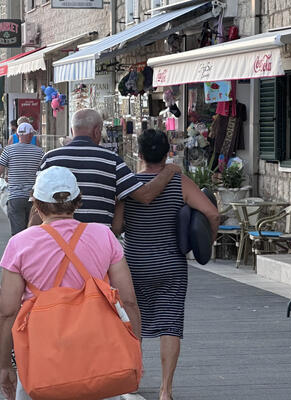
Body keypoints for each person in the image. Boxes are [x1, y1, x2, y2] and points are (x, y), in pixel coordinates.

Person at [0, 166, 141, 400]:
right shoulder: (104, 236)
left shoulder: (19, 244)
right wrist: (135, 351)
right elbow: (128, 301)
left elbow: (7, 312)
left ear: (36, 204)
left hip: (41, 357)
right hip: (98, 356)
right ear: (78, 201)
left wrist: (5, 364)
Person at [112, 130, 219, 400]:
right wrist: (206, 243)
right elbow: (211, 213)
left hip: (134, 264)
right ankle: (165, 390)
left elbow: (115, 227)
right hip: (171, 264)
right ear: (167, 153)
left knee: (131, 320)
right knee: (170, 324)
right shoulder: (179, 182)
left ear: (139, 154)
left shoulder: (130, 185)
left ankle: (133, 378)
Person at [39, 109, 181, 227]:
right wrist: (169, 170)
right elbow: (145, 195)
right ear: (96, 131)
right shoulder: (111, 160)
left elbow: (37, 206)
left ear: (72, 130)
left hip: (55, 242)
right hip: (96, 243)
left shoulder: (49, 158)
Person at [0, 122, 44, 235]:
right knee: (33, 232)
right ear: (31, 135)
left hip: (15, 196)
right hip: (34, 197)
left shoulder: (8, 150)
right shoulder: (40, 152)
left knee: (18, 234)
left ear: (18, 136)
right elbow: (44, 174)